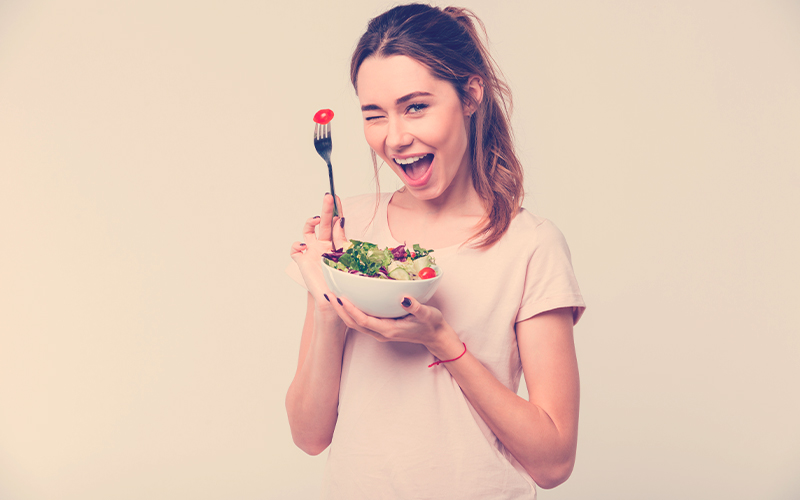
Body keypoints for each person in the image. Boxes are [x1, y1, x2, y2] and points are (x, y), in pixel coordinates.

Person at [286, 4, 585, 498]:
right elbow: (309, 436)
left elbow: (553, 462)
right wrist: (328, 297)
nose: (396, 137)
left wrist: (442, 341)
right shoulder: (348, 231)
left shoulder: (530, 246)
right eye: (374, 115)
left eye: (416, 106)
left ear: (471, 94)